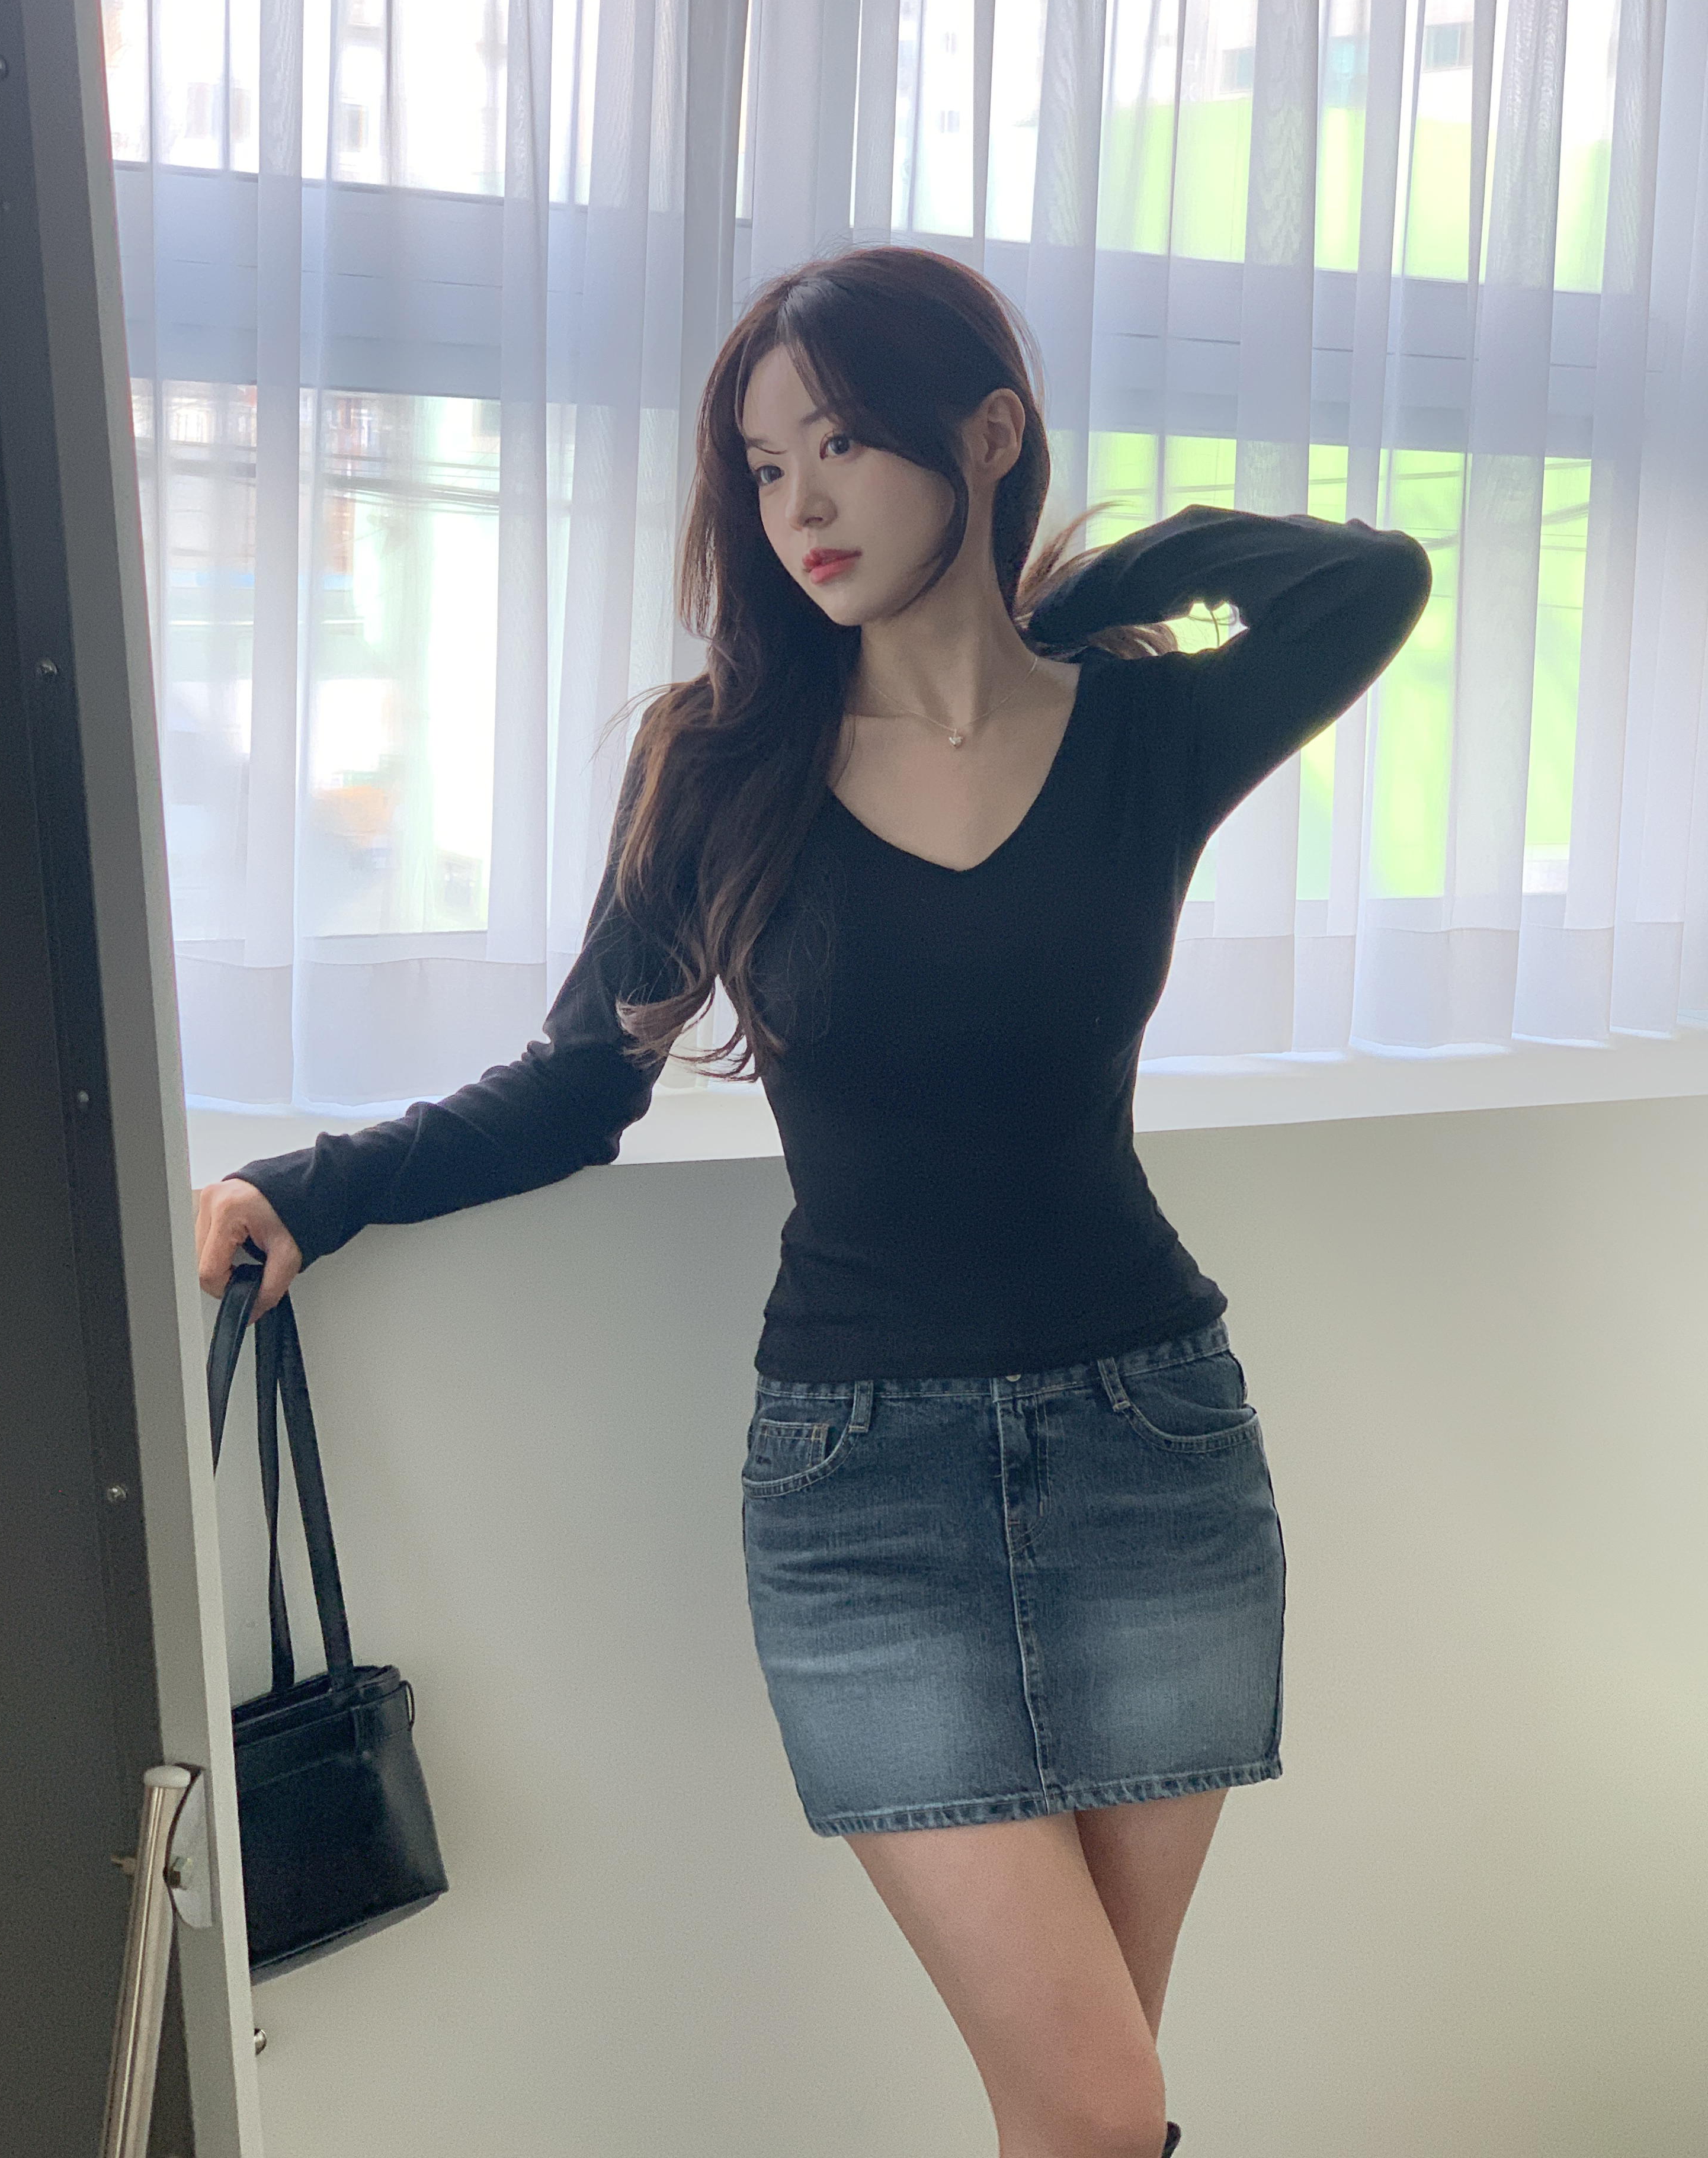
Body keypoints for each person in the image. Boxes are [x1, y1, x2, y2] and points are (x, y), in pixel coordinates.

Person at [196, 245, 1431, 2158]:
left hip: (1154, 1456)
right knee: (1104, 2102)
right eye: (765, 469)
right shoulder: (719, 768)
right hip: (864, 1493)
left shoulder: (1141, 733)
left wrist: (1063, 594)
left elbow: (1371, 583)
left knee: (1081, 2112)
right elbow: (578, 1086)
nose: (800, 507)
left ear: (987, 433)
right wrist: (312, 1188)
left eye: (844, 443)